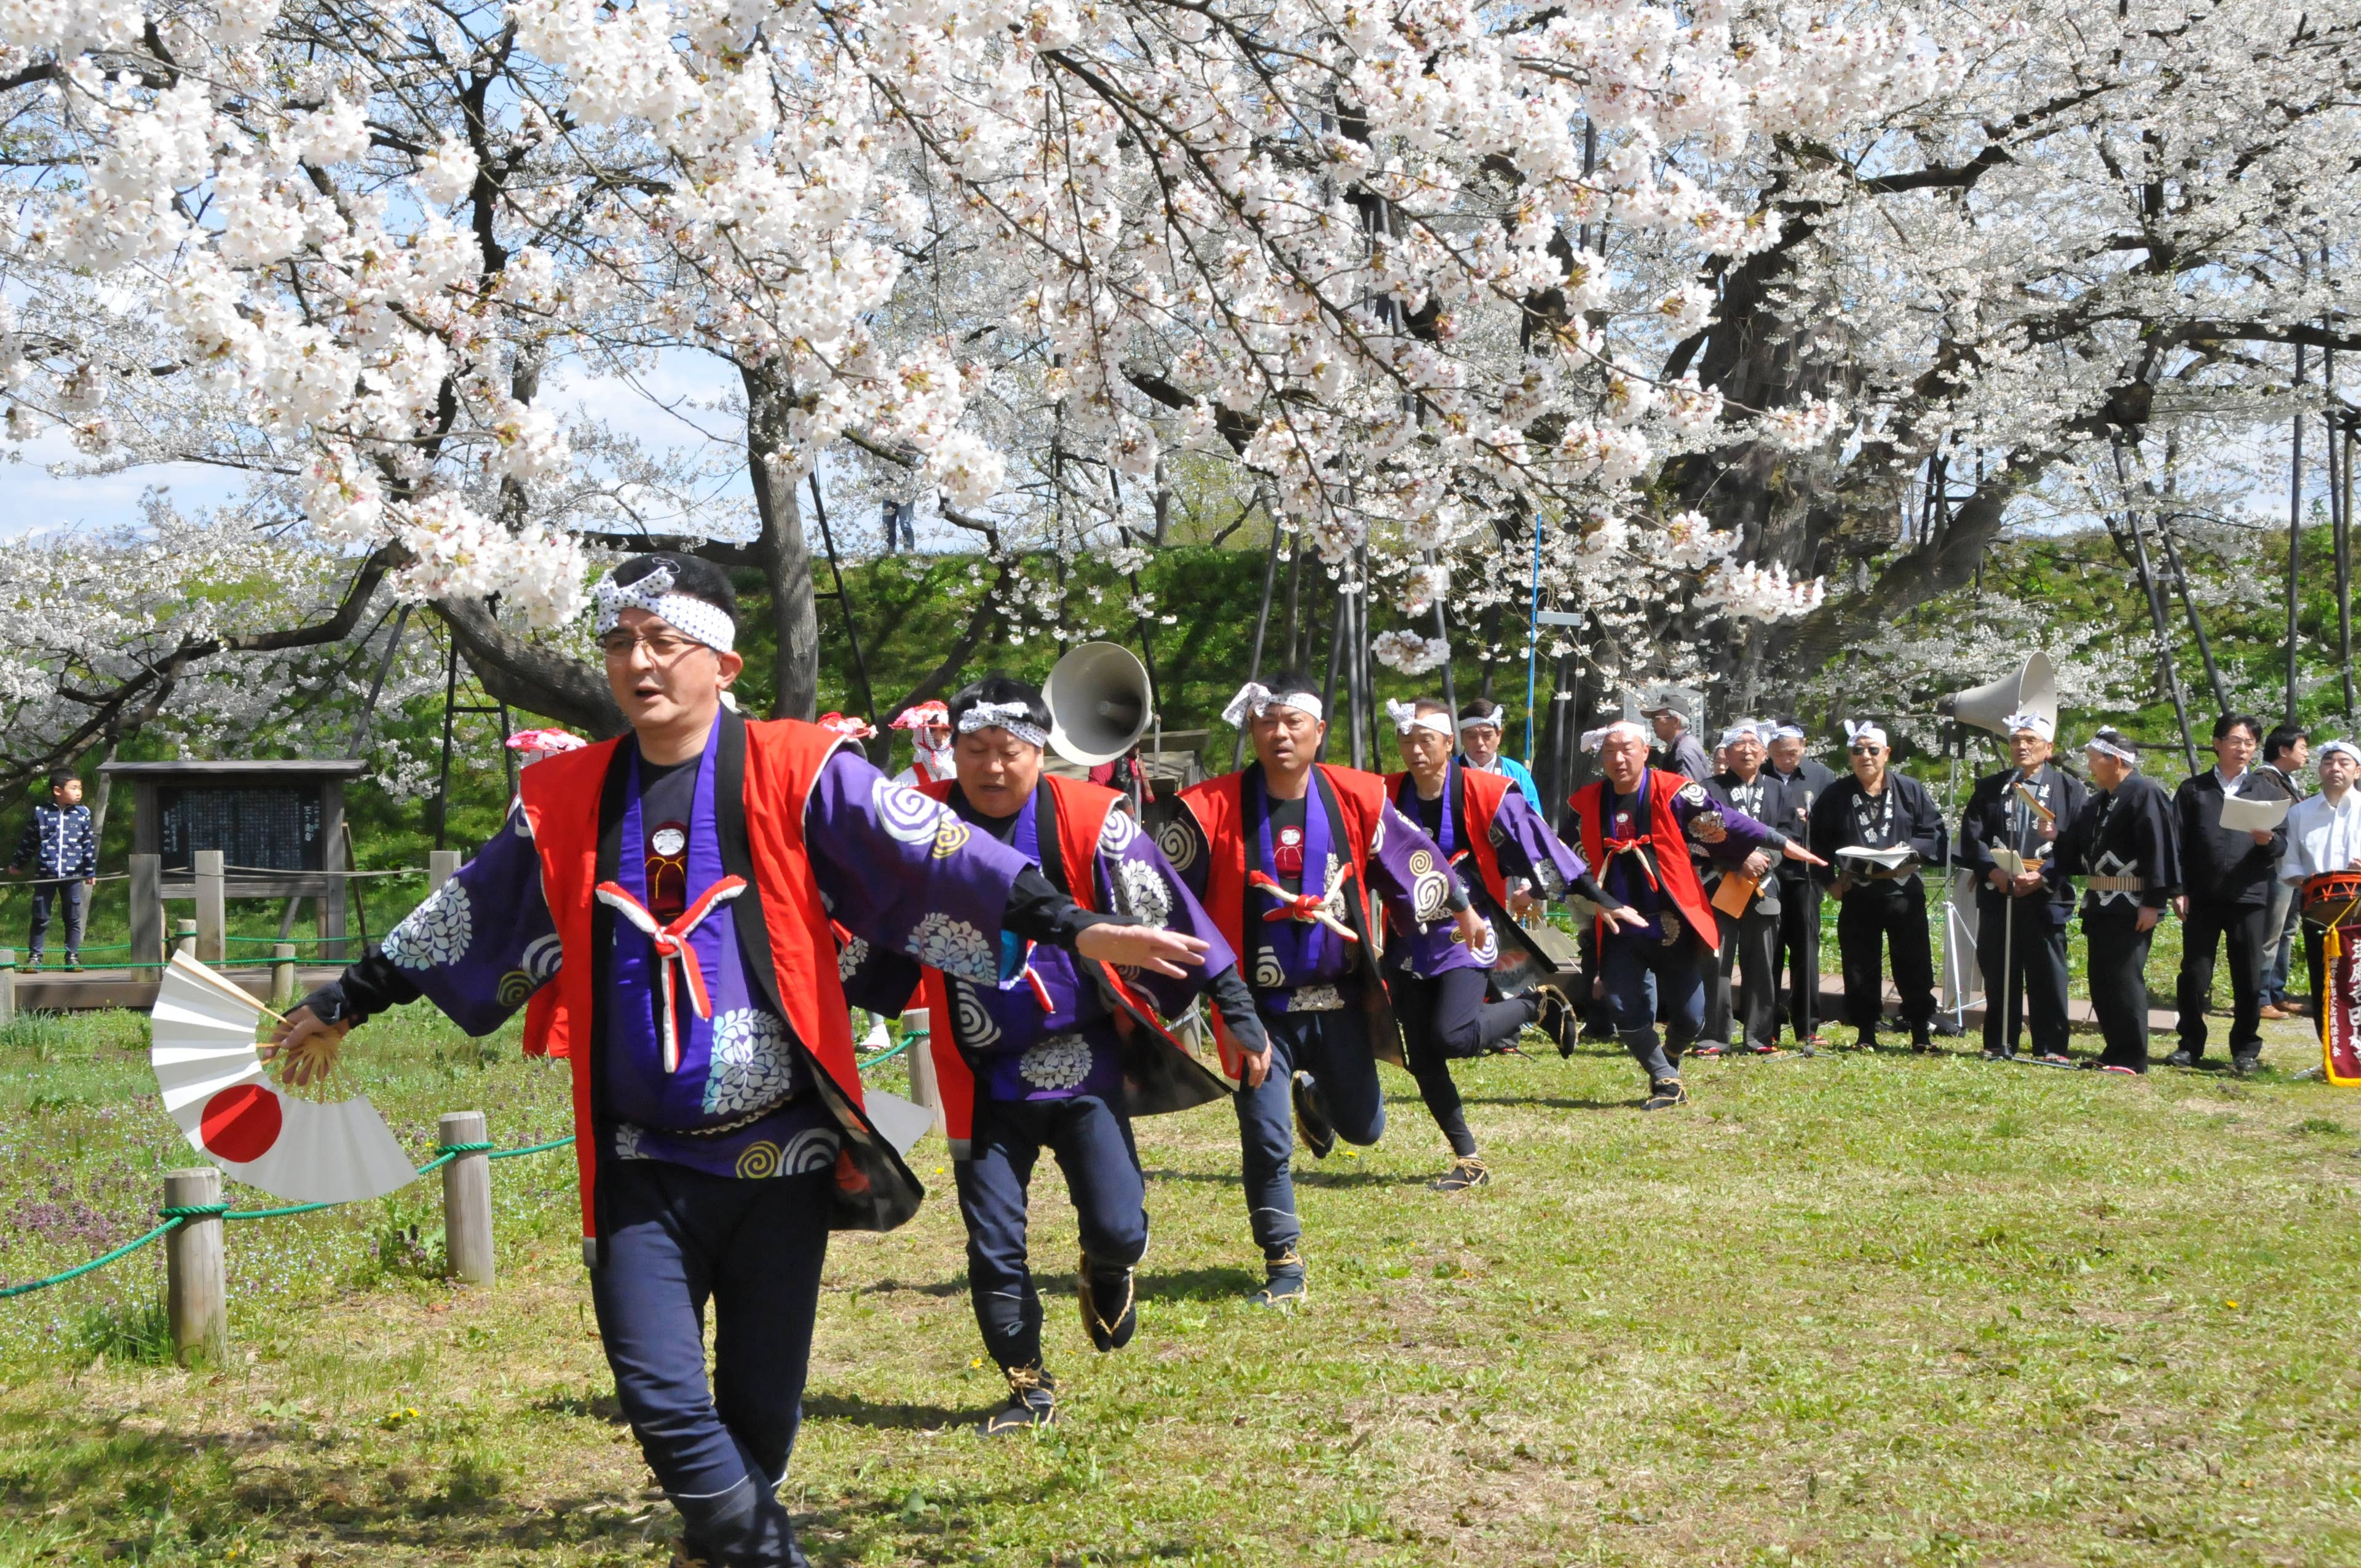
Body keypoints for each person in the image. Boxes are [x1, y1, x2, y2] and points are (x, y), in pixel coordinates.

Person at [263, 553, 1210, 1568]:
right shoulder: (565, 797)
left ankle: (720, 1546)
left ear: (725, 664)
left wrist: (1075, 927)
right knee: (662, 1401)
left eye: (665, 643)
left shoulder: (799, 771)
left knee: (761, 1423)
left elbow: (939, 850)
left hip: (781, 1159)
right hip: (639, 1160)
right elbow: (470, 911)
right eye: (621, 642)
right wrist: (345, 1001)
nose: (639, 663)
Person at [842, 675, 1257, 1433]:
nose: (991, 768)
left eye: (1008, 751)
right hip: (979, 1072)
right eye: (974, 751)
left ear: (1039, 752)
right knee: (995, 1244)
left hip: (1086, 1058)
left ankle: (1106, 1264)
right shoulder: (922, 826)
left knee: (1120, 1225)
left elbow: (1168, 908)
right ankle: (1028, 1384)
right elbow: (875, 924)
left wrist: (1234, 1006)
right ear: (952, 752)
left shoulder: (1091, 818)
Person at [1163, 672, 1488, 1307]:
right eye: (1266, 722)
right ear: (1252, 729)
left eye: (1293, 722)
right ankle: (1283, 1265)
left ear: (1320, 731)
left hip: (1337, 999)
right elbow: (1162, 896)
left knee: (1365, 1130)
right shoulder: (1209, 809)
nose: (1279, 734)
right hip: (1254, 1007)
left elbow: (1409, 857)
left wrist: (1460, 906)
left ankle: (1314, 1100)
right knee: (1264, 1138)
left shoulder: (1357, 797)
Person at [1384, 699, 1612, 1189]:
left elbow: (1542, 844)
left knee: (1453, 1036)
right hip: (1406, 935)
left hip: (1470, 929)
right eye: (1407, 741)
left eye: (1427, 741)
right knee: (1422, 1056)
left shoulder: (1487, 792)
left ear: (1449, 745)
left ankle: (1535, 1006)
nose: (1416, 751)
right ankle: (1469, 1159)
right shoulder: (1384, 793)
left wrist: (1601, 899)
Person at [1566, 719, 1819, 1109]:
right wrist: (1548, 888)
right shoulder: (1587, 801)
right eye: (1610, 751)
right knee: (1620, 1003)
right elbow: (1559, 851)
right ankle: (1666, 1080)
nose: (1618, 758)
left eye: (1627, 749)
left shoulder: (1674, 790)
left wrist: (1782, 842)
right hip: (1620, 917)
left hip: (1673, 917)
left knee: (1689, 1018)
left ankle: (1669, 1058)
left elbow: (1722, 823)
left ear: (1645, 751)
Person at [1807, 723, 1948, 1051]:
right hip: (1859, 890)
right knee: (1859, 965)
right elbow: (1817, 843)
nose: (1865, 757)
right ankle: (1866, 1033)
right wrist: (1831, 882)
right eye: (1858, 751)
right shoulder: (1836, 795)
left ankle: (1920, 1033)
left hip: (1903, 891)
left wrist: (1907, 849)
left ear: (1886, 754)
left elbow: (1933, 833)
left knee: (1914, 964)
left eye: (1873, 750)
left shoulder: (1910, 789)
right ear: (1850, 757)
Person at [1956, 713, 2087, 1064]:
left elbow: (2076, 844)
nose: (2022, 746)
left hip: (2045, 892)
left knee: (2048, 972)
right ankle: (2000, 1041)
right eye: (2016, 740)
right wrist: (1991, 872)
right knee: (1999, 972)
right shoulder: (1991, 787)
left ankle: (2052, 1046)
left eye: (2030, 740)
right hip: (2000, 890)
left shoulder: (2069, 789)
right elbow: (1972, 837)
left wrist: (2044, 876)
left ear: (2049, 748)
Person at [2170, 713, 2289, 1074]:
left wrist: (2269, 842)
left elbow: (2283, 844)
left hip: (2248, 896)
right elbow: (2176, 844)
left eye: (2249, 743)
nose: (2242, 749)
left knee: (2250, 975)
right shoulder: (2194, 790)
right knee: (2194, 974)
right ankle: (2189, 1044)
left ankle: (2246, 1049)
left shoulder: (2267, 792)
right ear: (2218, 743)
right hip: (2202, 896)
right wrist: (2178, 890)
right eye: (2235, 741)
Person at [2055, 729, 2180, 1072]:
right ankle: (2115, 1048)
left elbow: (2160, 849)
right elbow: (2080, 849)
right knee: (2102, 978)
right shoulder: (2099, 801)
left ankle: (2132, 1055)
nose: (2091, 767)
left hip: (2133, 901)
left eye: (2095, 760)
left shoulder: (2146, 793)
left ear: (2116, 760)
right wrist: (2056, 836)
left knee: (2125, 978)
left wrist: (2154, 902)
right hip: (2101, 902)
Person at [1698, 724, 1798, 1057]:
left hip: (1764, 886)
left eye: (1753, 743)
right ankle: (1715, 1036)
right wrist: (1738, 859)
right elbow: (1700, 832)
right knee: (1718, 963)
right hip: (1720, 884)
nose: (1746, 749)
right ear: (1725, 754)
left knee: (1762, 963)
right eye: (1737, 744)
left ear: (1765, 752)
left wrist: (1762, 861)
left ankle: (1759, 1037)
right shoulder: (1708, 788)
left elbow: (1788, 833)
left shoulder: (1778, 790)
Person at [2277, 738, 2361, 1051]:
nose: (2335, 769)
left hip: (2360, 905)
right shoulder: (2300, 813)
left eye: (2344, 763)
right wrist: (2310, 881)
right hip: (2319, 907)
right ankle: (2332, 1050)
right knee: (2323, 978)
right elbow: (2290, 862)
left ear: (2358, 771)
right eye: (2328, 762)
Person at [1766, 724, 1838, 1048]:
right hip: (1767, 874)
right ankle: (1766, 1026)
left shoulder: (1822, 777)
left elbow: (1836, 825)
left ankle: (1807, 1025)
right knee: (1768, 951)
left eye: (1792, 753)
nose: (1785, 759)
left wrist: (1814, 822)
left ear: (1804, 747)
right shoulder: (1759, 774)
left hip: (1804, 875)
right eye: (1778, 753)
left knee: (1805, 950)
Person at [10, 769, 97, 972]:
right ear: (58, 790)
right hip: (45, 874)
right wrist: (18, 864)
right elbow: (29, 841)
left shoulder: (82, 814)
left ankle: (73, 957)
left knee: (73, 916)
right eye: (74, 788)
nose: (79, 793)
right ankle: (35, 957)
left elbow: (88, 846)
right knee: (40, 916)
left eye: (80, 788)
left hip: (73, 875)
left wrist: (90, 872)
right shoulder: (42, 813)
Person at [2256, 724, 2311, 1019]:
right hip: (2273, 867)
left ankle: (2276, 992)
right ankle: (2261, 996)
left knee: (2287, 931)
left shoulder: (2285, 781)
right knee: (2271, 934)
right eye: (2303, 747)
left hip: (2291, 867)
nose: (2307, 754)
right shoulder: (2264, 780)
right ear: (2284, 750)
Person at [1455, 700, 1543, 810]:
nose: (1480, 743)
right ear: (1462, 738)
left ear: (1499, 736)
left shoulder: (1517, 773)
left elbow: (1534, 822)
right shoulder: (1448, 772)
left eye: (1487, 735)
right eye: (1472, 736)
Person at [1642, 695, 1713, 782]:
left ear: (1675, 721)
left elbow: (1687, 793)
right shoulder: (1684, 745)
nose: (1653, 724)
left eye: (1655, 718)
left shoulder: (1684, 751)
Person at [889, 700, 955, 785]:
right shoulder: (902, 782)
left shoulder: (966, 775)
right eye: (932, 730)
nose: (939, 737)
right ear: (920, 733)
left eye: (946, 730)